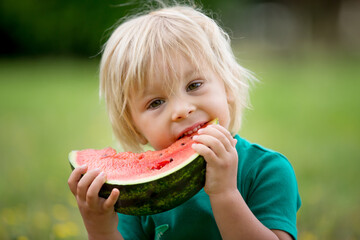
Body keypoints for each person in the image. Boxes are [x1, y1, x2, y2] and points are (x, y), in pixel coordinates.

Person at [68, 3, 301, 240]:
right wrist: (100, 227)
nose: (181, 110)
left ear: (227, 86)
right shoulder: (135, 193)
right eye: (156, 102)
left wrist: (225, 193)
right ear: (134, 127)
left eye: (194, 85)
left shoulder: (268, 170)